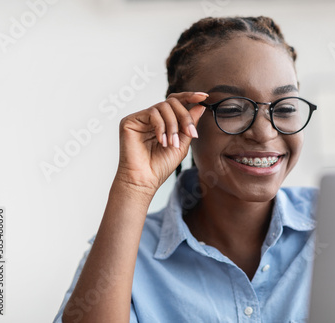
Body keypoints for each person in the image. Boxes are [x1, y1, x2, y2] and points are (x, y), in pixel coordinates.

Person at [54, 16, 318, 323]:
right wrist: (133, 186)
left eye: (284, 107)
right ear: (182, 117)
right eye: (232, 109)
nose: (263, 133)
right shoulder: (127, 256)